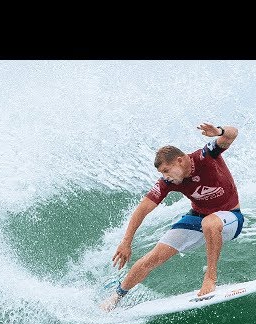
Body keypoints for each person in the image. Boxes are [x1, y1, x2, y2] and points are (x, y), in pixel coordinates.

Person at [101, 122, 243, 312]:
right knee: (152, 258)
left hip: (230, 217)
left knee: (210, 222)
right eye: (162, 173)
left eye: (166, 171)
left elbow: (232, 135)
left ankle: (210, 279)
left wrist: (219, 132)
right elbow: (142, 209)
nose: (165, 177)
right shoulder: (168, 183)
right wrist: (126, 242)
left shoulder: (205, 156)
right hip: (197, 218)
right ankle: (116, 297)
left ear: (180, 161)